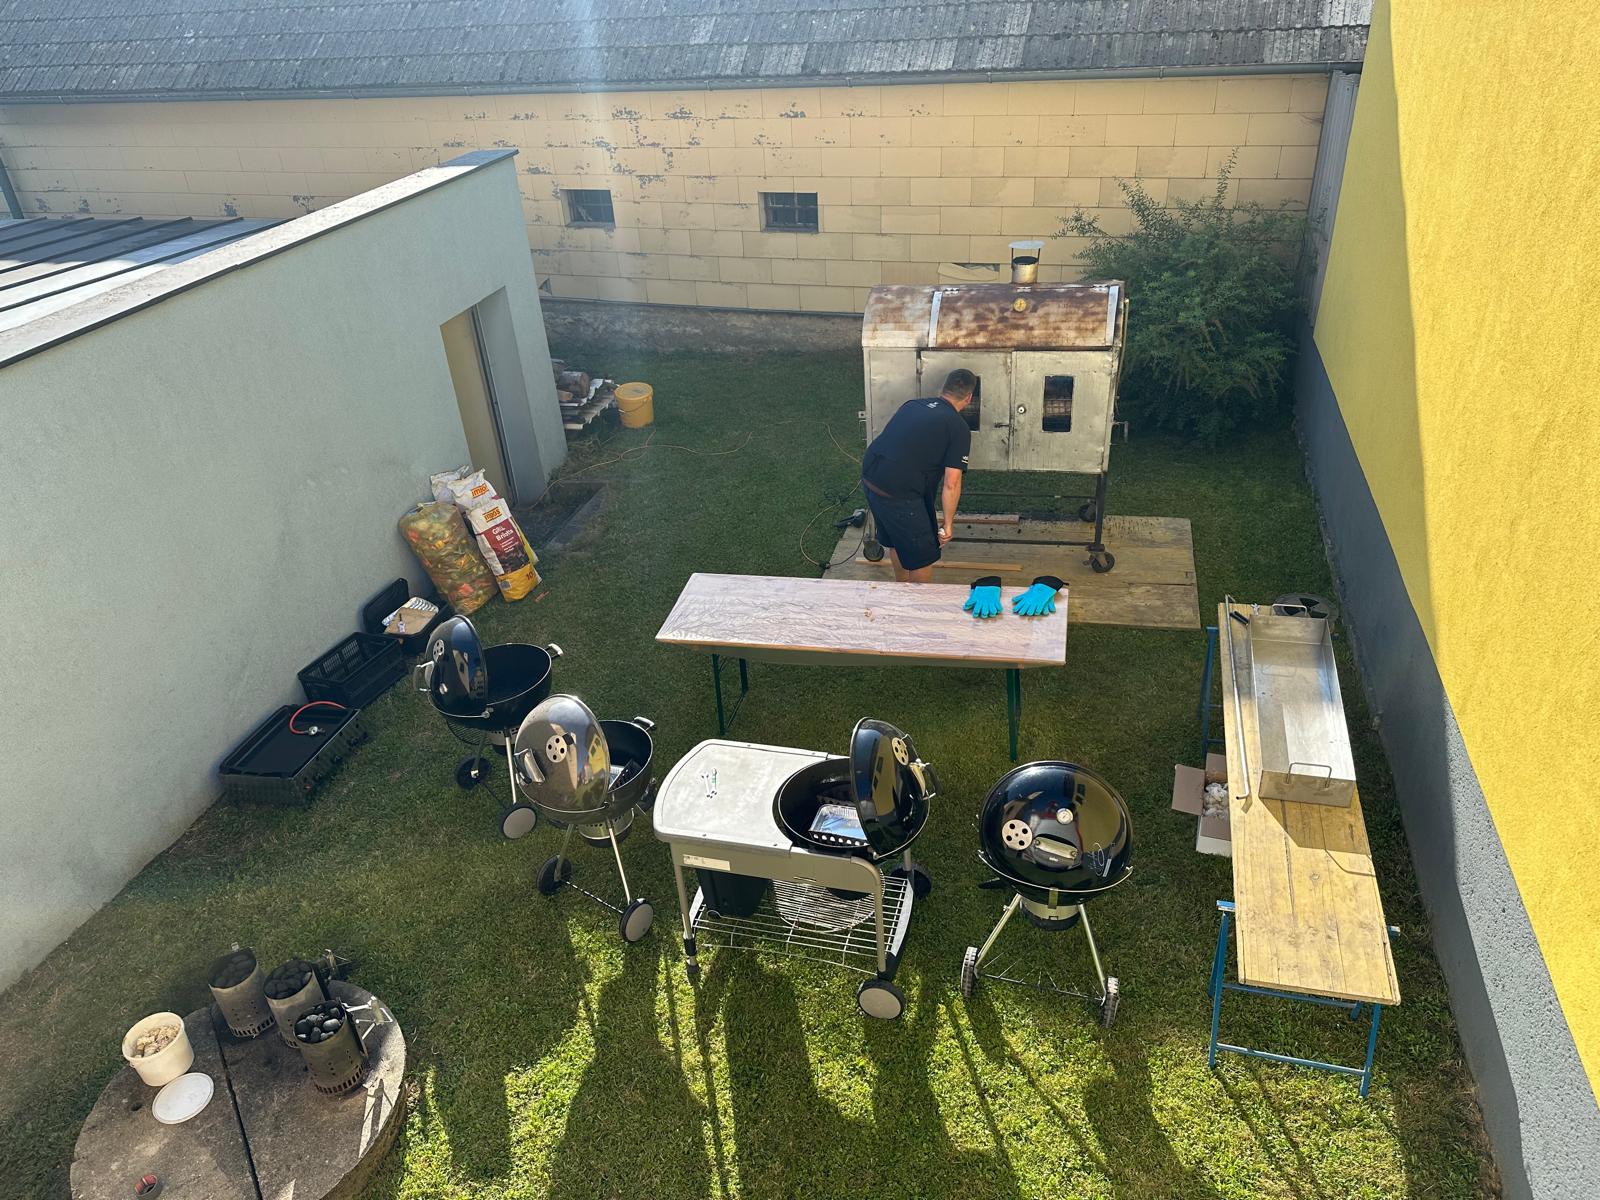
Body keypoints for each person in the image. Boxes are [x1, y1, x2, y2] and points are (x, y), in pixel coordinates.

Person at [860, 369, 975, 582]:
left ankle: (902, 588)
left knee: (898, 541)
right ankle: (916, 601)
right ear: (968, 398)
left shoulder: (913, 405)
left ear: (943, 389)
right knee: (922, 557)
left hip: (871, 477)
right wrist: (948, 524)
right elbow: (952, 482)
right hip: (899, 491)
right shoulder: (958, 427)